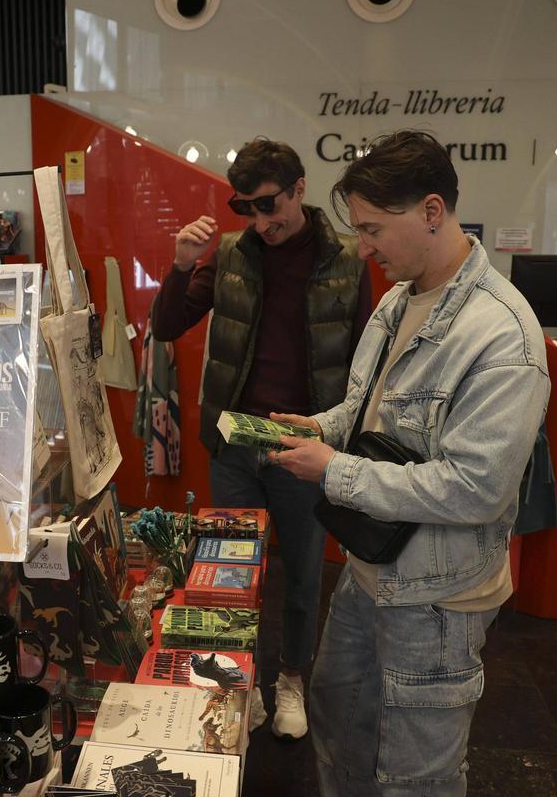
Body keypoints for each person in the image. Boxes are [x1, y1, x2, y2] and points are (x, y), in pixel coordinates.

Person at [268, 131, 550, 795]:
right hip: (369, 570)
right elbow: (372, 413)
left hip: (436, 600)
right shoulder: (400, 298)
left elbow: (475, 488)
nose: (362, 247)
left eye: (373, 229)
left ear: (430, 211)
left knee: (416, 774)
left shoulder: (503, 336)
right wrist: (321, 426)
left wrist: (331, 470)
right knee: (340, 722)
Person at [152, 138, 371, 740]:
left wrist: (343, 443)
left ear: (299, 189)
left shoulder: (348, 260)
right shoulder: (228, 255)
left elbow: (362, 366)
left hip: (304, 441)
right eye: (245, 207)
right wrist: (178, 264)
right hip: (236, 439)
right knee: (228, 574)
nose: (260, 221)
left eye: (269, 204)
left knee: (302, 572)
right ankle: (231, 688)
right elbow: (167, 326)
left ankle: (291, 680)